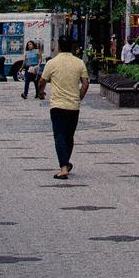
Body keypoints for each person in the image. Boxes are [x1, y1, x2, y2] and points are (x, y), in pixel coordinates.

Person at [39, 35, 89, 180]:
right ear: (72, 47)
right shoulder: (79, 63)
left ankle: (63, 168)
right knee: (69, 136)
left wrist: (41, 93)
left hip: (57, 106)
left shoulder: (52, 63)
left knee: (59, 136)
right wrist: (78, 97)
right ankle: (66, 163)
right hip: (74, 106)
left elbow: (42, 81)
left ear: (59, 46)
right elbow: (85, 84)